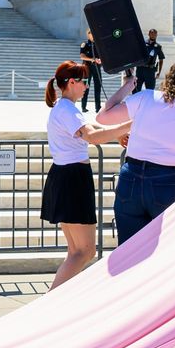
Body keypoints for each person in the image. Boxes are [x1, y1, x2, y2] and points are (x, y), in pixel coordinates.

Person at [95, 56, 175, 348]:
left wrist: (127, 85)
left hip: (130, 179)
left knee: (130, 258)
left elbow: (103, 117)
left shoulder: (145, 99)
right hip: (166, 184)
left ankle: (128, 336)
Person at [42, 61, 129, 289]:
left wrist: (116, 131)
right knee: (85, 251)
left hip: (65, 177)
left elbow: (89, 129)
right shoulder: (67, 109)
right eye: (84, 82)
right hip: (72, 179)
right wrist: (131, 124)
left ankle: (55, 302)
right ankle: (50, 303)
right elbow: (91, 136)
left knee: (76, 251)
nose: (86, 87)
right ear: (72, 83)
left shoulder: (64, 108)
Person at [78, 29, 107, 111]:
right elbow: (82, 56)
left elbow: (103, 55)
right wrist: (92, 59)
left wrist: (101, 60)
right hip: (87, 68)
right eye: (91, 33)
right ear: (88, 34)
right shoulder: (85, 44)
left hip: (96, 68)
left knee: (98, 87)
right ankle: (83, 107)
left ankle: (98, 107)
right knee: (85, 87)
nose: (93, 35)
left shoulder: (98, 44)